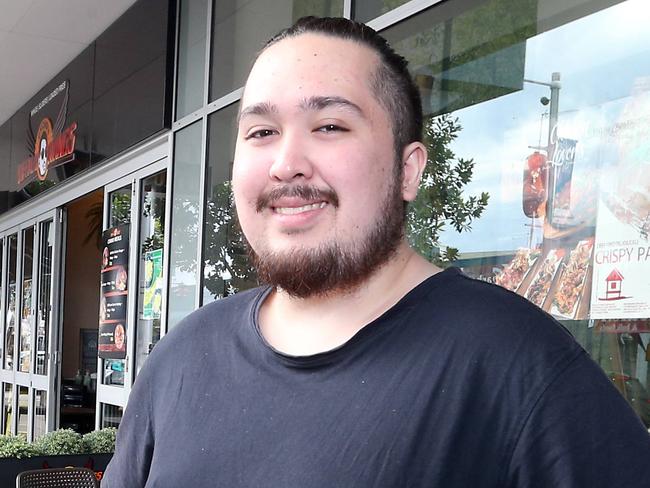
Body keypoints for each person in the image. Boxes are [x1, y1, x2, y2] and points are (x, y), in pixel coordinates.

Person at [102, 17, 650, 487]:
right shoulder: (180, 358)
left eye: (330, 126)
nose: (286, 163)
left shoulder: (517, 365)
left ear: (408, 170)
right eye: (262, 131)